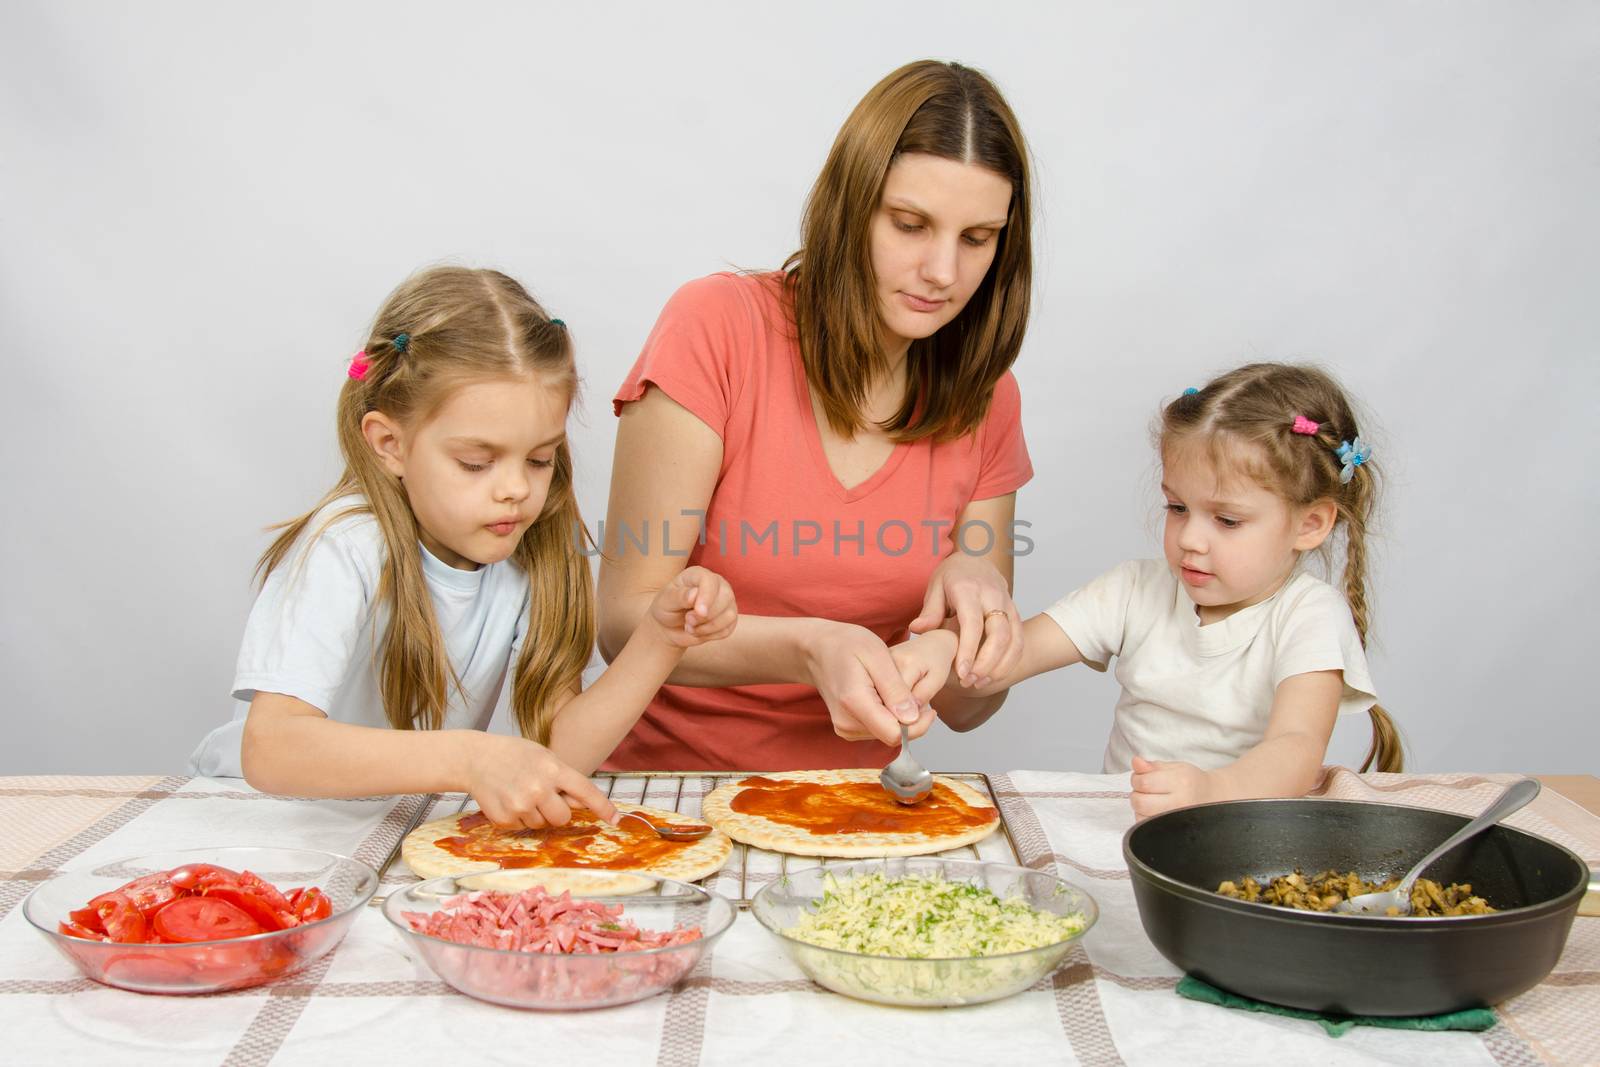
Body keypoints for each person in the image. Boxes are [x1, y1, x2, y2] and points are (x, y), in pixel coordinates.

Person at [596, 60, 1037, 771]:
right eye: (910, 224)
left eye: (978, 238)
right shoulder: (717, 328)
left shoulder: (988, 396)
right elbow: (622, 623)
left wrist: (963, 636)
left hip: (859, 809)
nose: (943, 272)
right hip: (669, 793)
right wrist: (808, 648)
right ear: (849, 205)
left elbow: (968, 706)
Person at [188, 267, 737, 826]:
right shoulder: (346, 545)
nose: (517, 489)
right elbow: (272, 748)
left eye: (540, 459)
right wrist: (469, 757)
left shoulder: (532, 553)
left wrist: (661, 641)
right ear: (389, 445)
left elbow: (559, 755)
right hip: (253, 821)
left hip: (383, 833)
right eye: (476, 463)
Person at [895, 362, 1400, 816]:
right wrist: (943, 649)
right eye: (1177, 509)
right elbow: (1016, 652)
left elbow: (1296, 747)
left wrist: (1210, 791)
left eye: (1226, 519)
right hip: (1128, 835)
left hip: (1242, 841)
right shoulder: (1137, 588)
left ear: (1310, 524)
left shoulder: (1309, 616)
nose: (1191, 540)